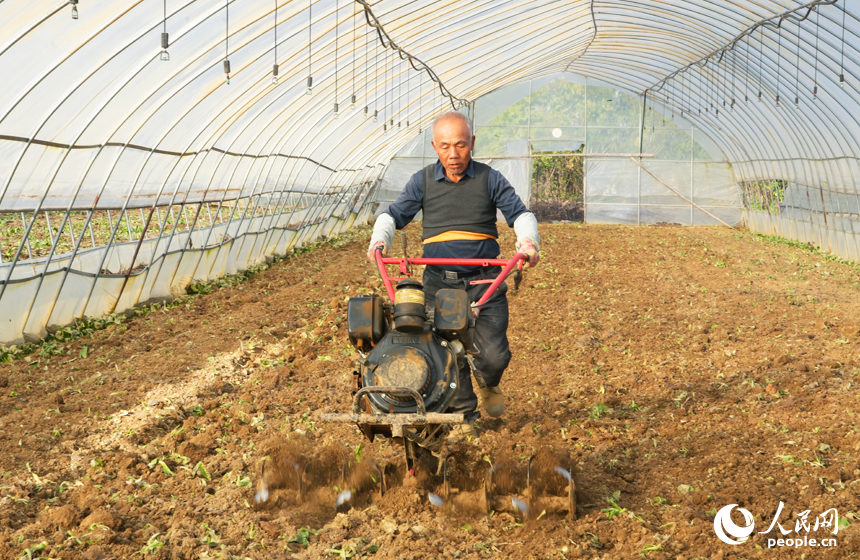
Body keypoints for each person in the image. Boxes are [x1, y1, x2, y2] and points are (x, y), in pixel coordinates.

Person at [366, 111, 540, 443]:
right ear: (435, 147)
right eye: (445, 146)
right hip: (440, 283)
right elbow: (393, 215)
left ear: (472, 143)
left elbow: (521, 214)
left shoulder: (490, 179)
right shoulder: (423, 181)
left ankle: (489, 380)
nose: (453, 154)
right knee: (448, 351)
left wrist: (528, 243)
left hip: (485, 281)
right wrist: (379, 241)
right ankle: (464, 418)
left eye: (460, 145)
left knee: (493, 356)